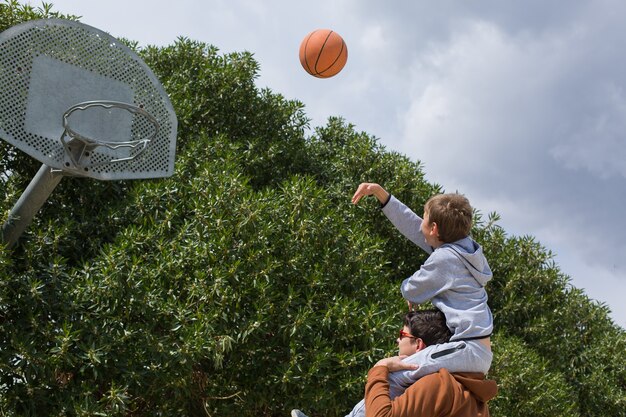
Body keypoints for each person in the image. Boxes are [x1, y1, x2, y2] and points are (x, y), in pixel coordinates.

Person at [346, 183, 494, 416]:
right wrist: (383, 196)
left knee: (395, 374)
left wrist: (410, 290)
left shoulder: (445, 259)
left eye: (424, 218)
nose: (421, 224)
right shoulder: (465, 249)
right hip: (473, 348)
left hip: (466, 348)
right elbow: (416, 228)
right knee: (401, 372)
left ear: (434, 228)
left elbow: (411, 289)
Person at [290, 309, 496, 417]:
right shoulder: (469, 394)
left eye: (402, 334)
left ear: (419, 345)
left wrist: (379, 369)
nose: (397, 340)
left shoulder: (439, 385)